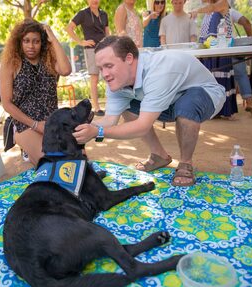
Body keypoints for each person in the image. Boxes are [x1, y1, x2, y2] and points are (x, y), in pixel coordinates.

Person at [73, 36, 226, 187]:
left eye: (109, 66)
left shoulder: (160, 70)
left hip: (205, 95)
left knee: (187, 105)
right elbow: (109, 121)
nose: (104, 74)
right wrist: (75, 126)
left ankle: (185, 163)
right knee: (129, 105)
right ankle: (159, 155)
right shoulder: (116, 81)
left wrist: (97, 132)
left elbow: (142, 126)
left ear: (129, 58)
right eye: (101, 68)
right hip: (170, 101)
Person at [0, 19, 71, 166]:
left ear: (43, 42)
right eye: (26, 41)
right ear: (19, 42)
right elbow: (6, 103)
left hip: (51, 121)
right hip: (24, 123)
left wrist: (52, 36)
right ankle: (26, 145)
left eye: (36, 41)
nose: (31, 46)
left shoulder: (48, 60)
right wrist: (35, 125)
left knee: (77, 156)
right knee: (52, 163)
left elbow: (66, 70)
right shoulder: (11, 63)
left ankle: (33, 154)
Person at [66, 0, 109, 116]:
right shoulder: (82, 13)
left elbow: (107, 33)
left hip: (105, 49)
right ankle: (96, 108)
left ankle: (111, 106)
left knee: (109, 77)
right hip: (91, 50)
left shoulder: (104, 14)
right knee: (94, 78)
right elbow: (69, 28)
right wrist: (81, 42)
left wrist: (110, 46)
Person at [197, 0, 237, 120]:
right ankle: (213, 110)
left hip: (222, 51)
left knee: (220, 80)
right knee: (211, 81)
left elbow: (213, 7)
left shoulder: (222, 4)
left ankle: (225, 110)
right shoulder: (207, 11)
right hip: (210, 51)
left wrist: (194, 11)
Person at [230, 8, 252, 116]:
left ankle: (223, 106)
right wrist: (250, 39)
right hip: (233, 47)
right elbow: (246, 22)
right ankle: (249, 103)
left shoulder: (209, 12)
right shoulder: (230, 11)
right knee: (241, 74)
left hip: (216, 48)